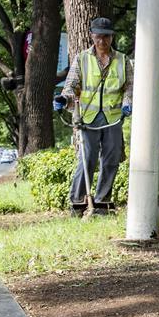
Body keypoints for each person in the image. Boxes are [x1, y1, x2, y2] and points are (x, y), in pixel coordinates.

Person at [56, 17, 134, 215]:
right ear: (92, 36)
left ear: (111, 37)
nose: (102, 41)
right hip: (87, 119)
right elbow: (71, 85)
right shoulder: (82, 59)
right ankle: (77, 203)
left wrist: (127, 104)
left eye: (106, 37)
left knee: (111, 159)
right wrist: (64, 100)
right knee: (87, 158)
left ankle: (101, 203)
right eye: (98, 36)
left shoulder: (123, 60)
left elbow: (129, 87)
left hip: (113, 118)